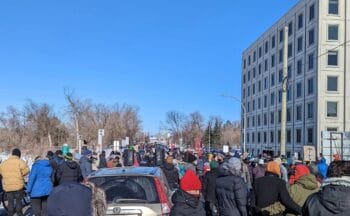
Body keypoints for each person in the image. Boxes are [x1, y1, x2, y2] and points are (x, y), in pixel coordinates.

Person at [0, 148, 29, 216]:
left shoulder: (4, 163)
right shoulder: (20, 161)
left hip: (8, 186)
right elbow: (27, 170)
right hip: (18, 186)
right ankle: (19, 214)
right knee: (18, 201)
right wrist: (21, 174)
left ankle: (10, 214)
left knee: (10, 202)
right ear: (19, 155)